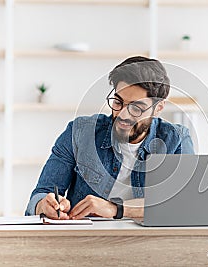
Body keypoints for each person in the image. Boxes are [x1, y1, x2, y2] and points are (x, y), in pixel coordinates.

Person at [25, 56, 194, 219]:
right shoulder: (79, 132)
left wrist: (116, 209)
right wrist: (44, 205)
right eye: (118, 102)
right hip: (85, 242)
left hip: (149, 243)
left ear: (158, 108)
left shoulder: (176, 140)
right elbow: (40, 194)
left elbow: (182, 204)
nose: (122, 114)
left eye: (136, 108)